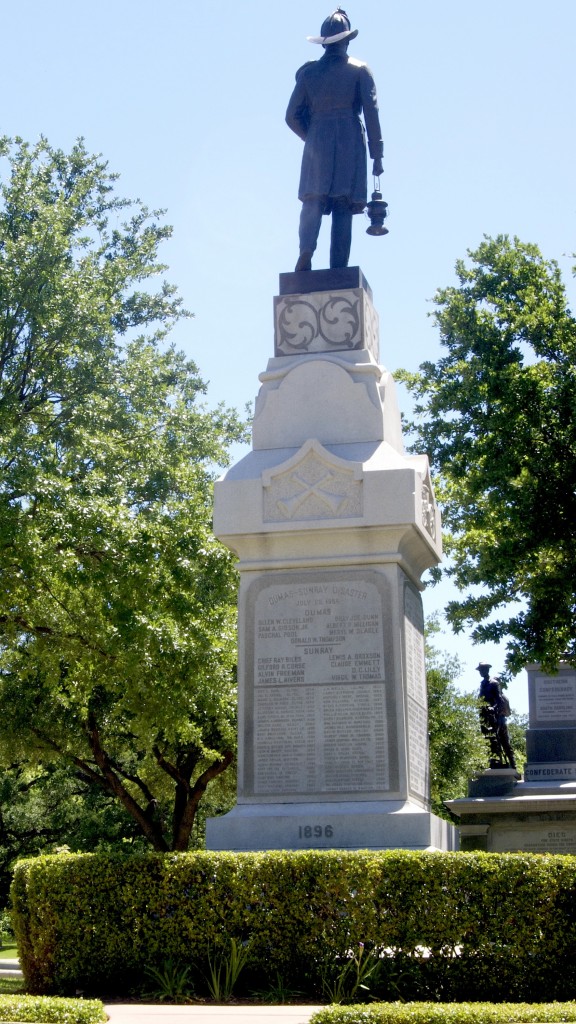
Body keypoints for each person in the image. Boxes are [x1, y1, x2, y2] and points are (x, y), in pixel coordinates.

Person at [286, 8, 384, 272]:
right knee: (343, 204)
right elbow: (372, 114)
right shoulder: (360, 70)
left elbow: (291, 116)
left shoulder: (308, 74)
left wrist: (313, 138)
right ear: (347, 39)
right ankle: (338, 268)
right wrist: (377, 154)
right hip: (349, 140)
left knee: (313, 200)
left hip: (318, 138)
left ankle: (306, 250)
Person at [476, 662, 516, 769]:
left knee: (503, 741)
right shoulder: (482, 684)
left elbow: (499, 699)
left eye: (482, 670)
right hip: (485, 717)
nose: (481, 672)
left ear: (487, 670)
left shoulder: (494, 683)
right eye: (480, 670)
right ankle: (494, 761)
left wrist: (493, 708)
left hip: (496, 716)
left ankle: (513, 764)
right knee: (489, 740)